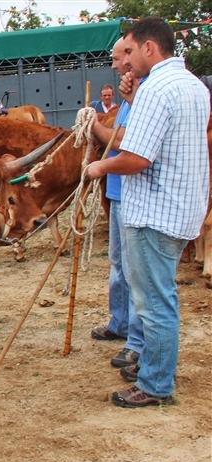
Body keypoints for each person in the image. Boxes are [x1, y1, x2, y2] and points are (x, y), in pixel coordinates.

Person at [86, 17, 210, 407]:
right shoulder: (193, 85)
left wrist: (100, 167)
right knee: (160, 298)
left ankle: (155, 384)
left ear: (149, 48)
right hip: (180, 208)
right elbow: (165, 135)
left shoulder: (157, 87)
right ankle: (155, 367)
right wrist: (133, 101)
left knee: (154, 303)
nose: (127, 60)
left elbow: (137, 156)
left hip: (154, 211)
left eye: (131, 50)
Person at [89, 38, 145, 372]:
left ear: (133, 54)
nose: (113, 65)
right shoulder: (130, 93)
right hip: (120, 190)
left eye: (116, 57)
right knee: (118, 262)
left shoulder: (146, 91)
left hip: (133, 191)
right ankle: (120, 322)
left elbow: (122, 140)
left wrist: (92, 124)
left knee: (136, 270)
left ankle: (136, 343)